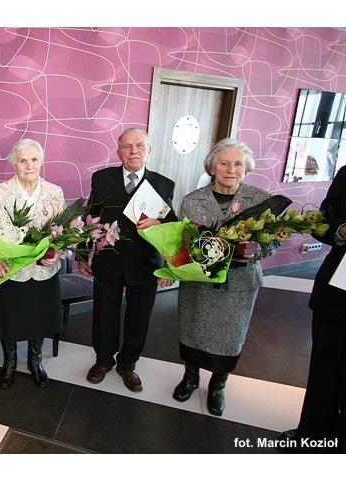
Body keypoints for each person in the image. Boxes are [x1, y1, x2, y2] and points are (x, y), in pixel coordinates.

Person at [172, 138, 270, 416]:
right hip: (199, 281)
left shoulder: (261, 200)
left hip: (240, 283)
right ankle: (190, 378)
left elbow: (273, 241)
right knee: (192, 330)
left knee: (230, 337)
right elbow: (184, 240)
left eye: (238, 164)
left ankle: (218, 385)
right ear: (212, 167)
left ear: (246, 168)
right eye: (224, 163)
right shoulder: (193, 200)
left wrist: (256, 250)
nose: (231, 169)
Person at [82, 128, 177, 391]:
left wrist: (161, 228)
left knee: (139, 317)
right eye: (127, 146)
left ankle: (128, 364)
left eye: (139, 145)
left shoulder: (163, 184)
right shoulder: (102, 178)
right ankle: (103, 360)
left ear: (149, 150)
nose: (133, 151)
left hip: (145, 263)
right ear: (118, 152)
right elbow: (89, 217)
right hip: (107, 260)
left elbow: (172, 225)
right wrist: (83, 253)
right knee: (104, 315)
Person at [0, 139, 65, 389]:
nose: (29, 165)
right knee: (9, 318)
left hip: (43, 271)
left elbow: (64, 232)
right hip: (10, 271)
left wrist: (58, 254)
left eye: (34, 159)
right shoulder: (0, 191)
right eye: (23, 161)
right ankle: (10, 361)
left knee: (40, 317)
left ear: (41, 161)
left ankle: (35, 360)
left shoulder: (54, 192)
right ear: (14, 164)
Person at [280, 165, 346, 452]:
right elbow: (324, 222)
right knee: (325, 369)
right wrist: (342, 229)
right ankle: (312, 434)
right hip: (339, 291)